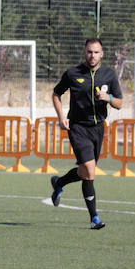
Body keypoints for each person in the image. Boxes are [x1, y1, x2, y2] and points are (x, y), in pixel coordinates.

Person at [50, 37, 123, 230]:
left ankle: (59, 182)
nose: (93, 55)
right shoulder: (73, 73)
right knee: (90, 172)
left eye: (96, 52)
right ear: (85, 52)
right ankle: (94, 218)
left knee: (84, 172)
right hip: (78, 128)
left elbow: (120, 103)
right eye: (89, 52)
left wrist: (109, 98)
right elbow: (56, 94)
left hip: (98, 128)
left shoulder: (109, 74)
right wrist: (61, 117)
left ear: (102, 54)